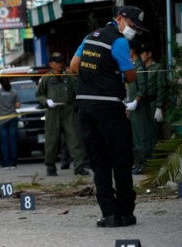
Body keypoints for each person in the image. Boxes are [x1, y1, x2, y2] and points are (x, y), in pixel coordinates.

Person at [70, 5, 148, 227]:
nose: (133, 30)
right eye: (132, 25)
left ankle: (109, 214)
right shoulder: (119, 41)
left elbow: (74, 66)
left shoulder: (90, 37)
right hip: (110, 109)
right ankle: (125, 213)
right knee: (121, 161)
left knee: (99, 162)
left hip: (85, 108)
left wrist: (95, 75)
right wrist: (115, 72)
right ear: (120, 19)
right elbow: (131, 77)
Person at [36, 52, 89, 176]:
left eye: (61, 61)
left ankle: (79, 167)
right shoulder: (46, 78)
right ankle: (50, 167)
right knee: (51, 140)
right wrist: (46, 101)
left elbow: (77, 91)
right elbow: (39, 95)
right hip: (52, 111)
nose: (60, 64)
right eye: (57, 62)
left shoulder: (69, 77)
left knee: (74, 138)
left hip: (68, 110)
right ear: (51, 64)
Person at [126, 40, 153, 175]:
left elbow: (143, 87)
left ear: (132, 50)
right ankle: (138, 162)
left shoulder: (139, 66)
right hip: (132, 106)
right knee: (135, 136)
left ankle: (144, 163)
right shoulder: (132, 65)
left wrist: (136, 100)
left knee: (142, 136)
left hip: (139, 106)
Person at [140, 43, 168, 145]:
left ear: (149, 54)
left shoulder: (157, 67)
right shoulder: (140, 68)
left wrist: (159, 106)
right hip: (142, 103)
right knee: (143, 132)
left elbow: (162, 86)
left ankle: (158, 155)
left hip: (153, 102)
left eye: (143, 53)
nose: (141, 55)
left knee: (155, 130)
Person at [0, 77, 21, 169]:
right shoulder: (14, 92)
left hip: (1, 120)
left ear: (0, 83)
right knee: (12, 141)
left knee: (4, 142)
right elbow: (18, 105)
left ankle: (6, 163)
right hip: (12, 119)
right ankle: (13, 163)